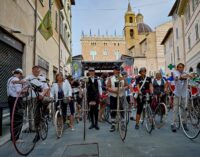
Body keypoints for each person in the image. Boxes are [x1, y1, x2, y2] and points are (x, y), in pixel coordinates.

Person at [25, 65, 50, 142]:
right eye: (35, 71)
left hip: (40, 98)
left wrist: (42, 94)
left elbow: (46, 88)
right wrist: (18, 82)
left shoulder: (42, 78)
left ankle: (44, 113)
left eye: (38, 71)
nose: (37, 72)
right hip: (32, 98)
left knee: (47, 101)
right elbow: (24, 82)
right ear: (32, 71)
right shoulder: (29, 77)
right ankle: (37, 133)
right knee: (35, 116)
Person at [107, 65, 128, 132]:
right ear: (114, 71)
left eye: (118, 70)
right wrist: (114, 91)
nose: (117, 71)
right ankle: (113, 124)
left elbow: (127, 86)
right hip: (113, 96)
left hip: (121, 96)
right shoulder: (111, 78)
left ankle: (122, 124)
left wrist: (122, 89)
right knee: (113, 110)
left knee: (122, 109)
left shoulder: (122, 78)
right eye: (116, 70)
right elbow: (107, 87)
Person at [171, 63, 189, 132]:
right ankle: (173, 124)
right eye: (179, 67)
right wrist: (186, 76)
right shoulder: (175, 72)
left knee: (184, 109)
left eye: (182, 67)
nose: (181, 68)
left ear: (183, 68)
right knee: (175, 109)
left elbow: (191, 75)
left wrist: (190, 76)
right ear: (177, 68)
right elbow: (177, 77)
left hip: (184, 94)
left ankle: (184, 123)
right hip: (177, 94)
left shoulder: (185, 72)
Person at [7, 68, 23, 141]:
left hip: (10, 99)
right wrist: (26, 90)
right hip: (16, 100)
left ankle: (12, 137)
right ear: (19, 74)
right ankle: (16, 138)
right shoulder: (16, 80)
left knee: (12, 118)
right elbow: (19, 91)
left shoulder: (10, 79)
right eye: (21, 75)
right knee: (18, 118)